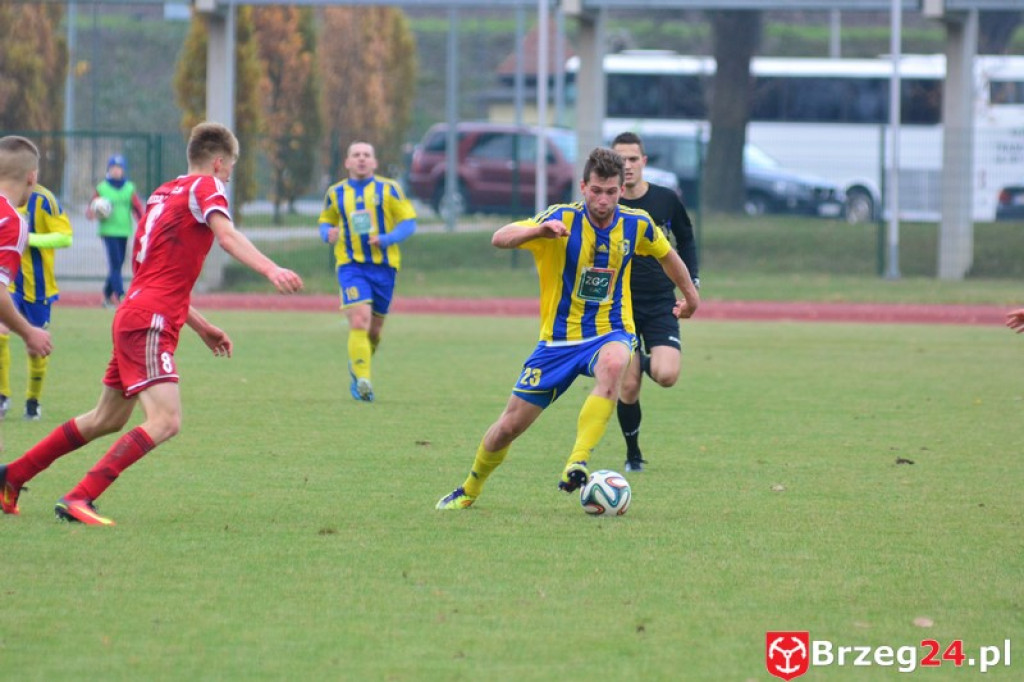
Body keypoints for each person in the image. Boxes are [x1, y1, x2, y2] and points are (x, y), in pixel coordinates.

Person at [0, 122, 303, 526]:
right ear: (218, 163)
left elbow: (152, 274)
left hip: (138, 313)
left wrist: (200, 325)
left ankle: (13, 475)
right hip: (150, 320)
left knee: (105, 419)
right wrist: (271, 268)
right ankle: (79, 497)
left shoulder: (164, 193)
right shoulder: (207, 187)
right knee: (166, 420)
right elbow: (227, 237)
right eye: (229, 168)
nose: (228, 177)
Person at [436, 147, 700, 510]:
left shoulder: (637, 224)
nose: (603, 199)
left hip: (611, 329)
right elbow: (500, 237)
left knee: (613, 367)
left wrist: (691, 298)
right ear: (583, 187)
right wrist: (538, 231)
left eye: (610, 191)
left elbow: (669, 256)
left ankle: (577, 461)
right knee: (508, 427)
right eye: (596, 191)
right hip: (557, 341)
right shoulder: (561, 218)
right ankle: (469, 489)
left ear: (621, 190)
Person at [610, 132, 700, 473]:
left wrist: (692, 282)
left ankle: (641, 362)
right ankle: (633, 455)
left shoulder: (665, 200)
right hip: (620, 306)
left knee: (666, 375)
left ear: (644, 162)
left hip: (661, 301)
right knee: (629, 385)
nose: (627, 166)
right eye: (620, 160)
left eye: (633, 159)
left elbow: (687, 238)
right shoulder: (608, 205)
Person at [318, 141, 416, 403]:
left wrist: (387, 238)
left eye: (366, 155)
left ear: (374, 162)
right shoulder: (336, 192)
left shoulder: (389, 190)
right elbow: (326, 219)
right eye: (356, 155)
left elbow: (409, 223)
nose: (361, 159)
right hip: (351, 266)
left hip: (384, 268)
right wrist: (326, 233)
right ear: (347, 162)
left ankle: (359, 367)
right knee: (359, 320)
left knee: (374, 331)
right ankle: (364, 380)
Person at [0, 183, 73, 421]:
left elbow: (65, 237)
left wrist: (29, 238)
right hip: (9, 282)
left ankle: (33, 401)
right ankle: (3, 396)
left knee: (36, 347)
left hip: (39, 287)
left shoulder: (46, 199)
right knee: (0, 334)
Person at [86, 154, 145, 308]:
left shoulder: (129, 188)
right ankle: (120, 295)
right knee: (115, 263)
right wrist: (93, 212)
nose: (116, 171)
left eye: (119, 168)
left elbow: (137, 208)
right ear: (109, 170)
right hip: (108, 231)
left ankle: (106, 295)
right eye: (113, 168)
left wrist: (143, 224)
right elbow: (91, 209)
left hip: (124, 231)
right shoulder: (102, 188)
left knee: (118, 265)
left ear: (123, 170)